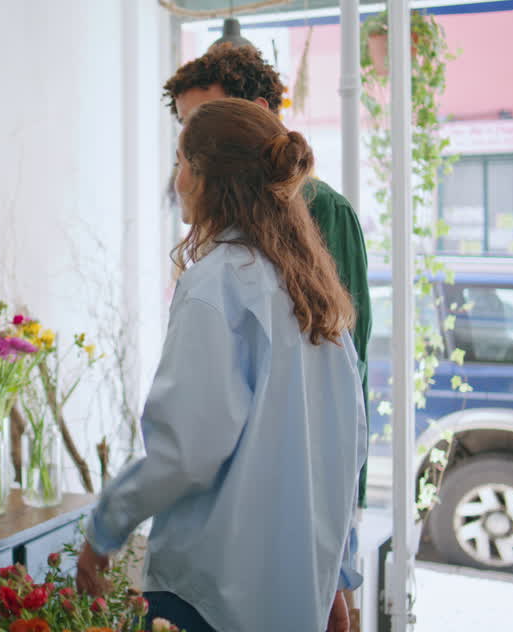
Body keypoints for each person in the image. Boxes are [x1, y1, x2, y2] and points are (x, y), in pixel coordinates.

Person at [76, 98, 367, 632]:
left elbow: (188, 451)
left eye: (182, 162)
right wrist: (336, 572)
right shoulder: (315, 289)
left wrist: (104, 528)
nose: (177, 178)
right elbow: (346, 447)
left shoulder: (216, 284)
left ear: (209, 178)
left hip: (209, 597)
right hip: (296, 596)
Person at [163, 45, 373, 630]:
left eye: (208, 123)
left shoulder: (320, 212)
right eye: (187, 131)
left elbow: (344, 382)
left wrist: (339, 544)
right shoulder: (220, 232)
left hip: (299, 507)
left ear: (257, 115)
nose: (196, 147)